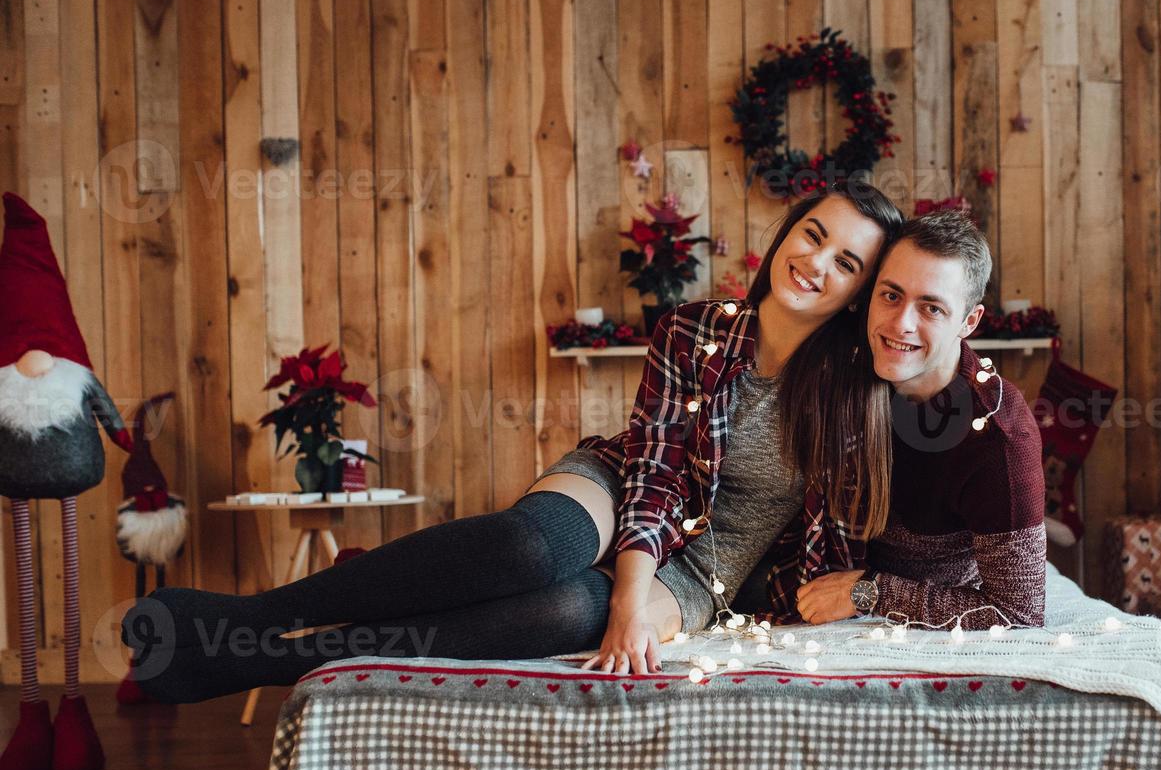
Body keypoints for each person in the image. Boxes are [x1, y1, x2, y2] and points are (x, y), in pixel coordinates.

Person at [122, 181, 903, 701]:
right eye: (812, 234)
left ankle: (252, 659)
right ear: (787, 233)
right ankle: (249, 616)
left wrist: (635, 607)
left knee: (562, 613)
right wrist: (629, 591)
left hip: (704, 571)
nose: (813, 262)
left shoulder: (851, 392)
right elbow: (657, 474)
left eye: (845, 262)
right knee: (529, 552)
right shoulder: (693, 330)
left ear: (858, 293)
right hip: (619, 483)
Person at [784, 210, 1047, 631]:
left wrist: (869, 592)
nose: (901, 324)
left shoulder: (999, 439)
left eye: (931, 308)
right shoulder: (842, 369)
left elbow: (1018, 611)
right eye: (890, 295)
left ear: (969, 322)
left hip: (913, 617)